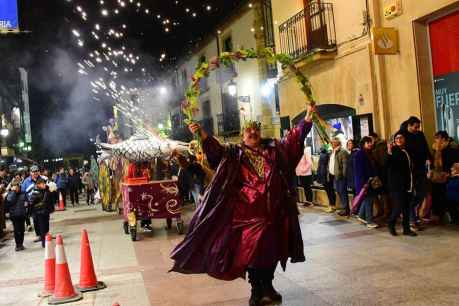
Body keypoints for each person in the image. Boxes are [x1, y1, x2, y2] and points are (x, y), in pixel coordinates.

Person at [170, 105, 315, 306]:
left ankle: (269, 286)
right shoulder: (233, 153)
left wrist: (307, 119)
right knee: (252, 254)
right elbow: (215, 151)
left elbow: (293, 140)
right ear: (242, 135)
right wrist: (202, 133)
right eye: (249, 130)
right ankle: (257, 290)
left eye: (256, 129)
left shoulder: (274, 149)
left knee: (272, 252)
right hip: (247, 216)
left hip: (274, 214)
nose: (253, 133)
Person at [400, 116, 432, 230]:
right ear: (409, 125)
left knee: (422, 193)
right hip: (410, 171)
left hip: (421, 169)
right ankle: (411, 220)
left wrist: (428, 158)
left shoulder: (420, 135)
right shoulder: (402, 136)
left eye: (418, 127)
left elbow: (426, 148)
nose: (417, 129)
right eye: (416, 127)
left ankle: (411, 214)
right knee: (411, 195)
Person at [386, 132, 417, 236]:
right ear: (394, 141)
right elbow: (388, 165)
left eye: (401, 137)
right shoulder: (393, 151)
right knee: (398, 207)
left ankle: (406, 229)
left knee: (406, 208)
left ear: (404, 139)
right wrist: (389, 151)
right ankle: (391, 223)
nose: (399, 139)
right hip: (397, 186)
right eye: (397, 138)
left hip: (408, 184)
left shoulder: (407, 151)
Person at [429, 131, 459, 223]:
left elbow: (455, 164)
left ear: (444, 139)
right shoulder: (435, 150)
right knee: (437, 193)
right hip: (438, 178)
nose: (436, 140)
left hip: (451, 177)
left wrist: (450, 173)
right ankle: (440, 215)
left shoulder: (453, 149)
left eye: (438, 138)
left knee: (450, 196)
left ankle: (454, 217)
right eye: (436, 138)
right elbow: (434, 165)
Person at [354, 136, 379, 228]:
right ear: (363, 144)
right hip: (365, 182)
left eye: (371, 142)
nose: (370, 144)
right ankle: (369, 221)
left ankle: (361, 216)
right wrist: (363, 183)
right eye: (368, 143)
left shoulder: (369, 153)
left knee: (368, 199)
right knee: (368, 200)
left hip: (371, 181)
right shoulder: (360, 154)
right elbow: (359, 171)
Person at [21, 165, 44, 242]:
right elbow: (23, 193)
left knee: (43, 219)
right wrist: (25, 201)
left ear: (39, 172)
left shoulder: (42, 179)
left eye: (36, 171)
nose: (35, 173)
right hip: (32, 205)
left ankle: (44, 233)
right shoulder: (26, 181)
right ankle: (39, 235)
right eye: (33, 172)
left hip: (42, 203)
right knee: (35, 219)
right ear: (30, 173)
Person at [329, 137, 350, 216]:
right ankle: (343, 208)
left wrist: (344, 175)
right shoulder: (333, 151)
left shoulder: (342, 151)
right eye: (332, 142)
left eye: (334, 142)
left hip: (341, 176)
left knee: (342, 192)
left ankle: (346, 209)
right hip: (335, 176)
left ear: (338, 143)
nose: (332, 144)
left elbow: (345, 164)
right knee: (339, 192)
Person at [29, 178, 53, 248]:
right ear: (38, 184)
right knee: (42, 228)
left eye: (44, 183)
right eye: (43, 184)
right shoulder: (35, 191)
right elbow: (31, 202)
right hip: (39, 212)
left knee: (46, 227)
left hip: (45, 211)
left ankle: (46, 240)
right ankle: (44, 243)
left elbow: (50, 199)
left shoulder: (45, 190)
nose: (44, 184)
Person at [5, 179, 27, 251]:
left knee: (22, 230)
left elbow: (27, 201)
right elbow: (10, 202)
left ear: (19, 187)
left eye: (17, 187)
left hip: (22, 214)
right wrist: (13, 192)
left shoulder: (23, 193)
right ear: (12, 187)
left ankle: (21, 244)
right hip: (14, 216)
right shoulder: (10, 194)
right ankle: (17, 245)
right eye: (14, 187)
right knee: (17, 230)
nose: (16, 188)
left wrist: (26, 206)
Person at [317, 145, 336, 212]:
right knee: (330, 191)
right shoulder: (326, 154)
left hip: (326, 175)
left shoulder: (326, 154)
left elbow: (321, 166)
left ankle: (332, 205)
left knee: (330, 191)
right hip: (325, 175)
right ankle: (331, 205)